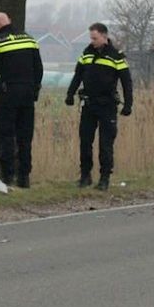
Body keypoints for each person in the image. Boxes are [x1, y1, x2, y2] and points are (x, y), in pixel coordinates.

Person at [0, 12, 43, 188]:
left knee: (6, 135)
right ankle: (24, 178)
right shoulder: (29, 39)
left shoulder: (0, 41)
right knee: (25, 137)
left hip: (8, 94)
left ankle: (7, 176)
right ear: (10, 21)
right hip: (27, 94)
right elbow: (39, 68)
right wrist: (35, 89)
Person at [65, 22, 133, 191]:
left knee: (105, 144)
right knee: (85, 142)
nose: (92, 41)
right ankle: (85, 176)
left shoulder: (116, 56)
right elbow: (77, 76)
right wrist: (70, 94)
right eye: (91, 38)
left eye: (95, 38)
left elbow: (127, 82)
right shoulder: (86, 53)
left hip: (107, 106)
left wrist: (128, 104)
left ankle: (104, 178)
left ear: (104, 36)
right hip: (88, 104)